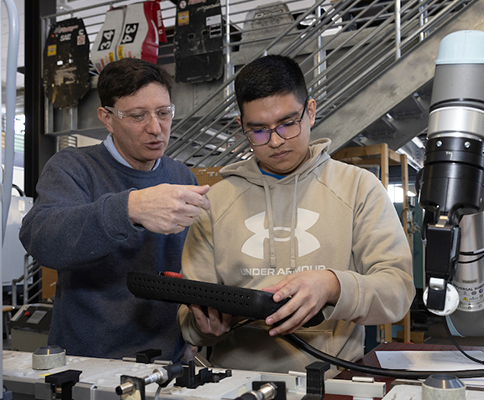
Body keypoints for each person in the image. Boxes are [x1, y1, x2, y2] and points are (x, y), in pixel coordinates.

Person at [177, 55, 415, 375]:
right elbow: (188, 317)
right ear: (241, 127)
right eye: (258, 131)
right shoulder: (215, 203)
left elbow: (398, 291)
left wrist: (332, 285)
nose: (276, 141)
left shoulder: (359, 188)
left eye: (288, 123)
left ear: (311, 111)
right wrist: (205, 325)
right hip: (233, 383)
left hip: (332, 381)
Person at [20, 58, 210, 360]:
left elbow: (193, 264)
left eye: (164, 113)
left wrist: (194, 330)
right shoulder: (74, 168)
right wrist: (128, 209)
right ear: (107, 118)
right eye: (137, 116)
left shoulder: (180, 176)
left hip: (168, 360)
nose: (155, 128)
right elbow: (41, 238)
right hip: (88, 362)